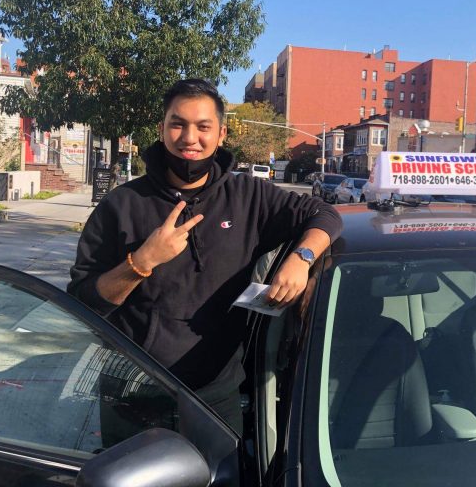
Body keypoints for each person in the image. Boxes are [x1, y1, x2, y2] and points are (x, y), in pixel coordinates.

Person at [68, 78, 342, 434]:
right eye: (177, 124)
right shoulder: (120, 205)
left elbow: (325, 215)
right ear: (162, 129)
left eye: (203, 126)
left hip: (216, 398)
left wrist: (302, 258)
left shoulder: (250, 196)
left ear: (222, 133)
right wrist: (141, 263)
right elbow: (82, 304)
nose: (189, 138)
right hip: (133, 395)